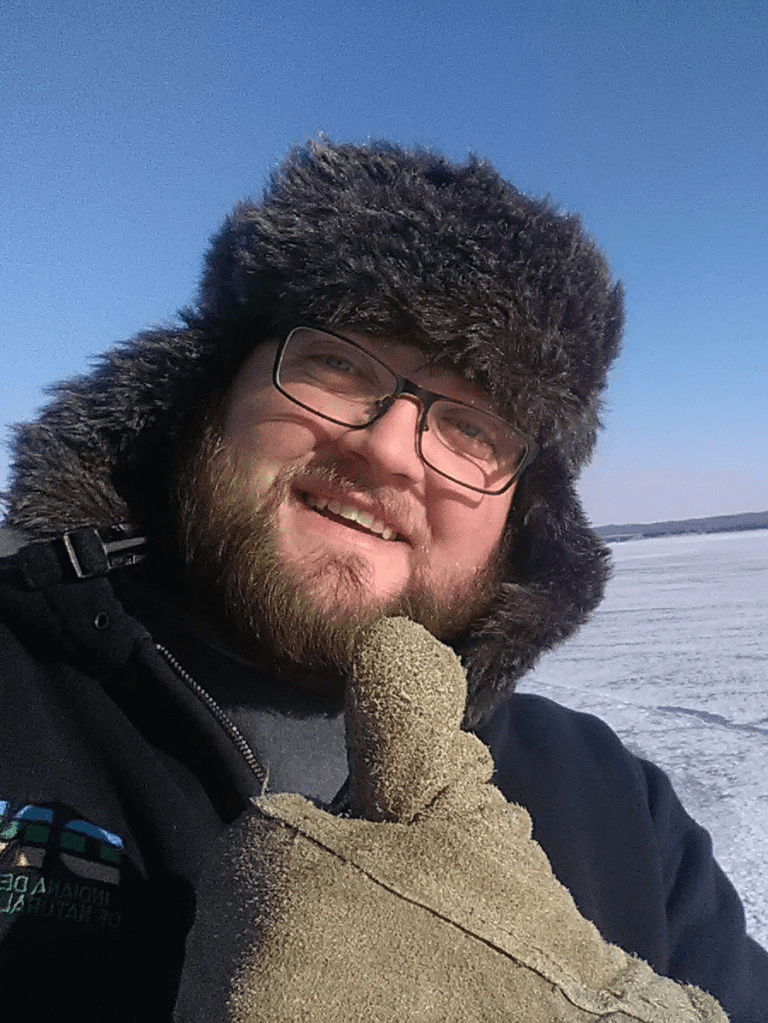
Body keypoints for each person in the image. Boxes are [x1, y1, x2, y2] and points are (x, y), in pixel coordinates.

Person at [0, 139, 765, 1021]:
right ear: (209, 393)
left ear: (524, 512)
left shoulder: (619, 811)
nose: (389, 447)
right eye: (339, 363)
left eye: (474, 427)